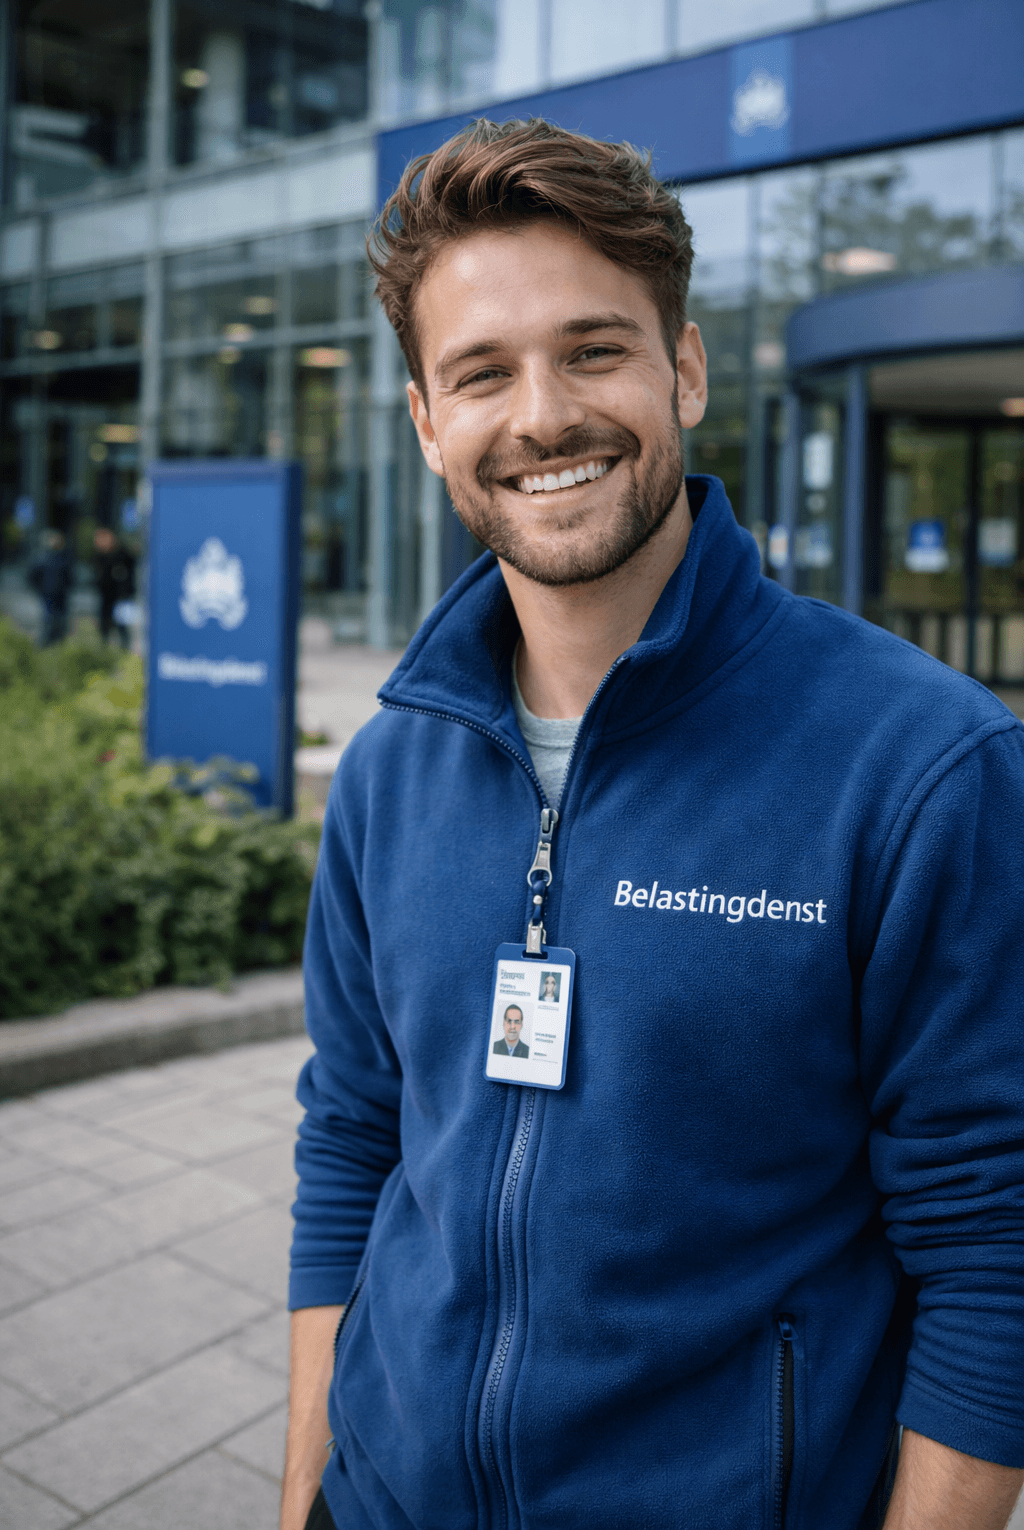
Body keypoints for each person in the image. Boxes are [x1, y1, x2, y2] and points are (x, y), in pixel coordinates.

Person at [283, 120, 1024, 1530]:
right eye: (481, 373)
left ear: (684, 368)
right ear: (429, 422)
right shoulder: (390, 768)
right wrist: (303, 1491)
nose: (544, 413)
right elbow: (352, 1142)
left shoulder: (922, 763)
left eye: (595, 349)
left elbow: (993, 1244)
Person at [27, 529, 74, 646]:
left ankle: (59, 640)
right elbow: (33, 576)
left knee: (60, 617)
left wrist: (68, 587)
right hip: (48, 592)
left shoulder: (64, 557)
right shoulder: (42, 557)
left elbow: (70, 576)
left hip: (61, 593)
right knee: (49, 617)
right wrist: (40, 589)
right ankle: (48, 641)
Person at [92, 527, 136, 647]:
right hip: (106, 597)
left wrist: (126, 593)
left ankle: (124, 648)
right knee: (104, 626)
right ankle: (104, 649)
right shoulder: (99, 557)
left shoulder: (123, 555)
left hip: (121, 596)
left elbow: (128, 577)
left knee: (122, 625)